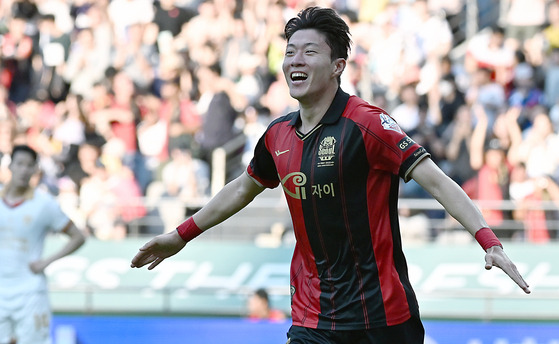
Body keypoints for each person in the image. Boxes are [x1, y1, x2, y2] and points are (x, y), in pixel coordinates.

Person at [131, 7, 530, 344]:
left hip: (382, 317)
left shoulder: (368, 125)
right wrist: (180, 235)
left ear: (338, 66)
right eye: (289, 53)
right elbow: (242, 189)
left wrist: (488, 241)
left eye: (308, 52)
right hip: (313, 316)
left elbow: (439, 182)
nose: (295, 61)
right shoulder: (277, 135)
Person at [0, 144, 86, 344]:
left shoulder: (44, 203)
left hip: (30, 292)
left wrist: (47, 261)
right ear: (10, 165)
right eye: (20, 163)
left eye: (29, 165)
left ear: (35, 170)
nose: (24, 169)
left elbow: (78, 236)